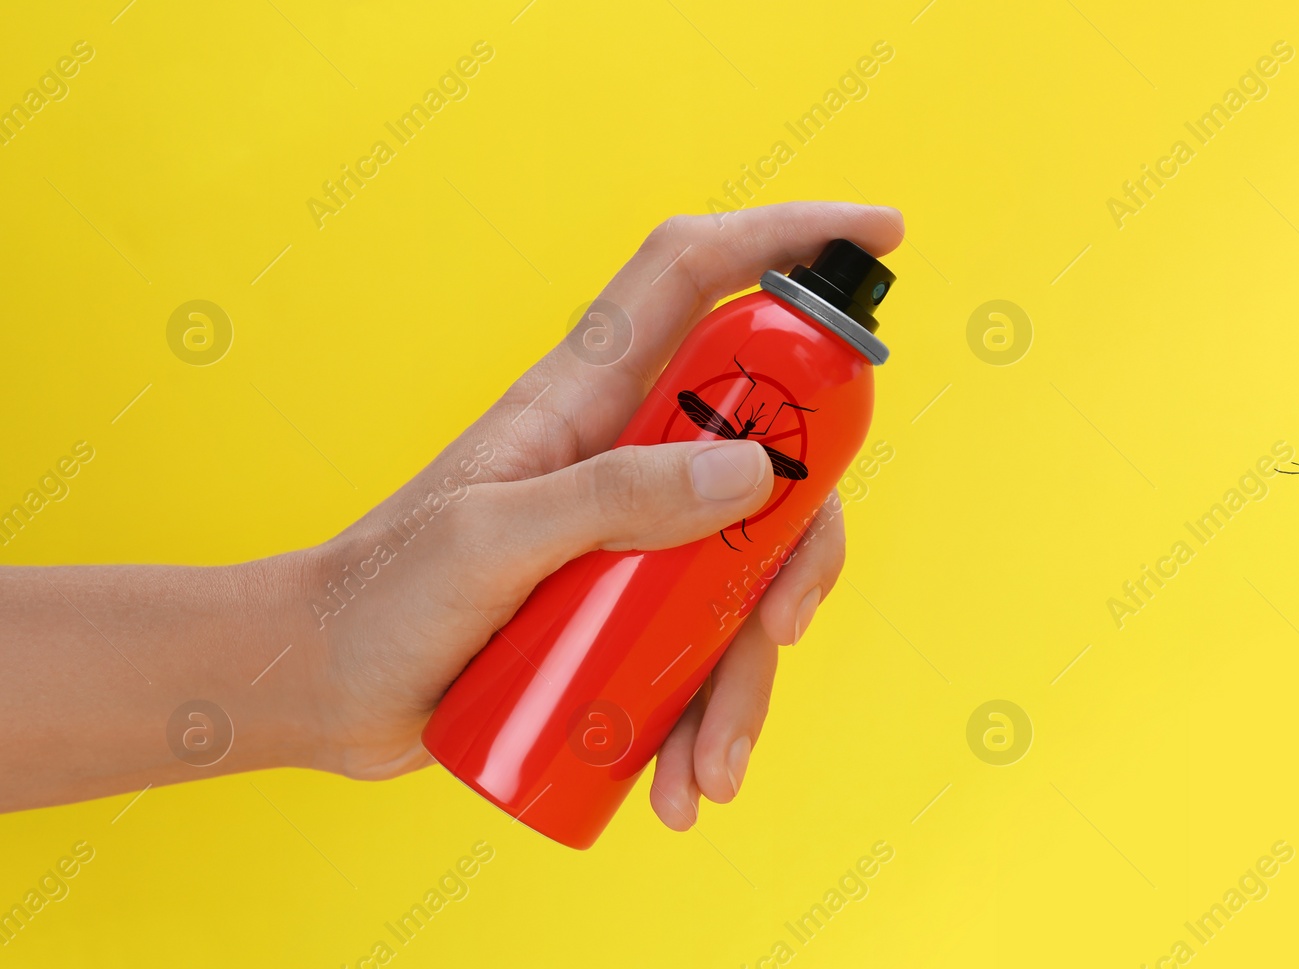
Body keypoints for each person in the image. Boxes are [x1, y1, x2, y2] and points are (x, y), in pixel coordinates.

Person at [0, 201, 905, 831]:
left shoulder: (834, 391)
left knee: (748, 586)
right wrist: (316, 657)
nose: (735, 446)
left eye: (779, 454)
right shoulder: (759, 341)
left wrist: (323, 657)